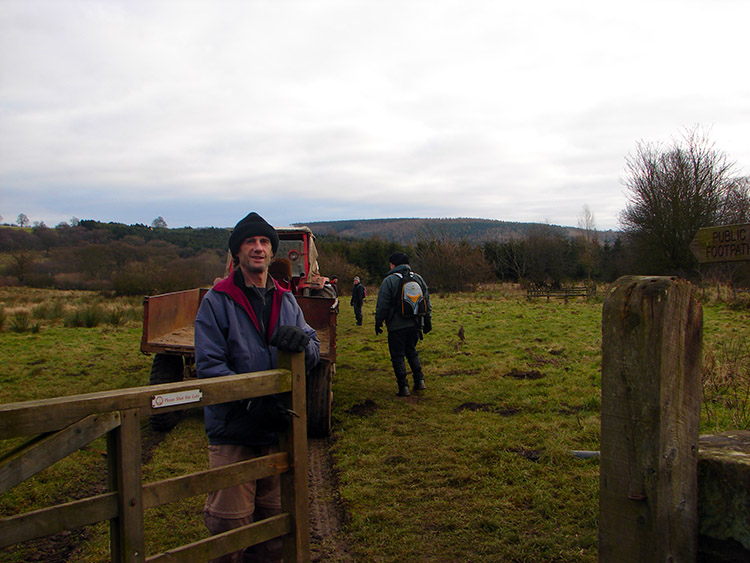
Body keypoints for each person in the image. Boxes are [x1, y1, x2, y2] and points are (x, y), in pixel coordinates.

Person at [194, 211, 320, 563]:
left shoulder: (286, 300)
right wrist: (252, 402)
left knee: (275, 528)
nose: (259, 248)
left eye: (264, 242)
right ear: (237, 253)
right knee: (230, 528)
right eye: (250, 241)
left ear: (272, 252)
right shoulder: (217, 302)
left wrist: (302, 344)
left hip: (276, 431)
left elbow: (313, 348)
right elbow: (209, 365)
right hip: (234, 430)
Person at [374, 252, 432, 396]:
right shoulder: (417, 278)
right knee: (411, 351)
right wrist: (427, 319)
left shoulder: (389, 281)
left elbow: (382, 304)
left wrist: (378, 322)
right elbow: (426, 300)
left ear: (393, 264)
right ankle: (419, 381)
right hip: (415, 323)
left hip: (396, 325)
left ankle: (403, 387)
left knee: (397, 355)